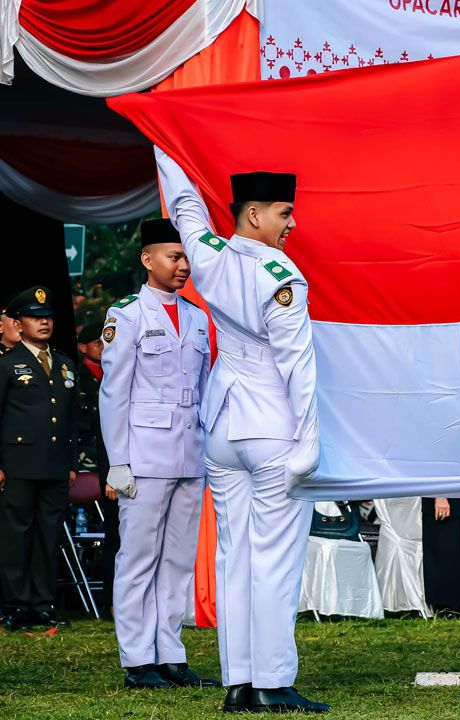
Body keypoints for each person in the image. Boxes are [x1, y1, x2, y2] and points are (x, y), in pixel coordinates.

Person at [156, 151, 327, 712]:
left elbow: (184, 206)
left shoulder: (208, 256)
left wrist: (162, 136)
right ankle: (273, 681)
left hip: (222, 427)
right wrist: (310, 439)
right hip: (271, 429)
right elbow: (296, 364)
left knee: (234, 556)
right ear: (254, 215)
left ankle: (239, 681)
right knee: (274, 557)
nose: (292, 223)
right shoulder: (283, 277)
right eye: (284, 212)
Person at [99, 219, 217, 690]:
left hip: (190, 454)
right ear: (148, 260)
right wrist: (118, 461)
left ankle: (170, 654)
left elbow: (205, 387)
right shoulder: (126, 314)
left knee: (178, 561)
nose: (183, 265)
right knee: (138, 558)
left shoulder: (194, 316)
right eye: (174, 256)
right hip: (144, 457)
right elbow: (114, 393)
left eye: (185, 257)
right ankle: (136, 659)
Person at [0, 286, 79, 632]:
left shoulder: (63, 363)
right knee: (17, 535)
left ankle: (42, 603)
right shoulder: (7, 364)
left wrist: (73, 461)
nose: (44, 323)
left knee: (49, 534)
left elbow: (71, 418)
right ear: (19, 323)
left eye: (47, 317)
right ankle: (15, 604)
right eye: (35, 317)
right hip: (17, 462)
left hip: (55, 462)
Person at [74, 318, 120, 615]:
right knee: (114, 532)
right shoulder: (77, 378)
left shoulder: (115, 374)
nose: (104, 347)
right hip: (93, 461)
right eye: (97, 343)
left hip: (114, 456)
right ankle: (110, 600)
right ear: (82, 347)